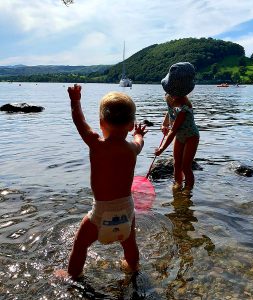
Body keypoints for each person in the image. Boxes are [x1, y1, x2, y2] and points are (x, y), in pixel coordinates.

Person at [55, 84, 147, 280]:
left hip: (101, 213)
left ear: (101, 123)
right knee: (130, 244)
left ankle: (72, 275)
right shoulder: (132, 148)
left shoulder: (96, 144)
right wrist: (138, 134)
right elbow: (139, 142)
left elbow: (79, 122)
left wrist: (75, 101)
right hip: (127, 210)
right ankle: (132, 266)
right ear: (130, 125)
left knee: (80, 245)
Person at [155, 62, 199, 195]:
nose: (170, 94)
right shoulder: (170, 98)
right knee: (176, 164)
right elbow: (169, 112)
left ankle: (188, 190)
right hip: (180, 136)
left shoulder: (185, 106)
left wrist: (162, 149)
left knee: (186, 167)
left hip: (191, 136)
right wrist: (164, 124)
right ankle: (178, 184)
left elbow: (173, 131)